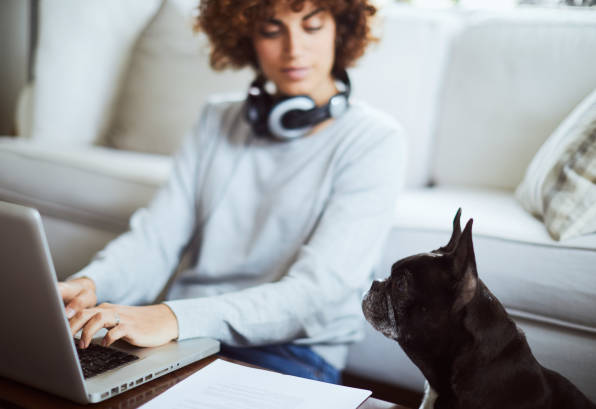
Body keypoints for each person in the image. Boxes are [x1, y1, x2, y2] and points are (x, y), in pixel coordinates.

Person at [59, 0, 407, 384]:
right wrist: (90, 285)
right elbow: (155, 240)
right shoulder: (216, 119)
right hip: (185, 339)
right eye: (272, 30)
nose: (294, 48)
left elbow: (314, 295)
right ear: (246, 36)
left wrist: (172, 317)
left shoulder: (375, 140)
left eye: (312, 27)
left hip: (290, 354)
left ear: (340, 31)